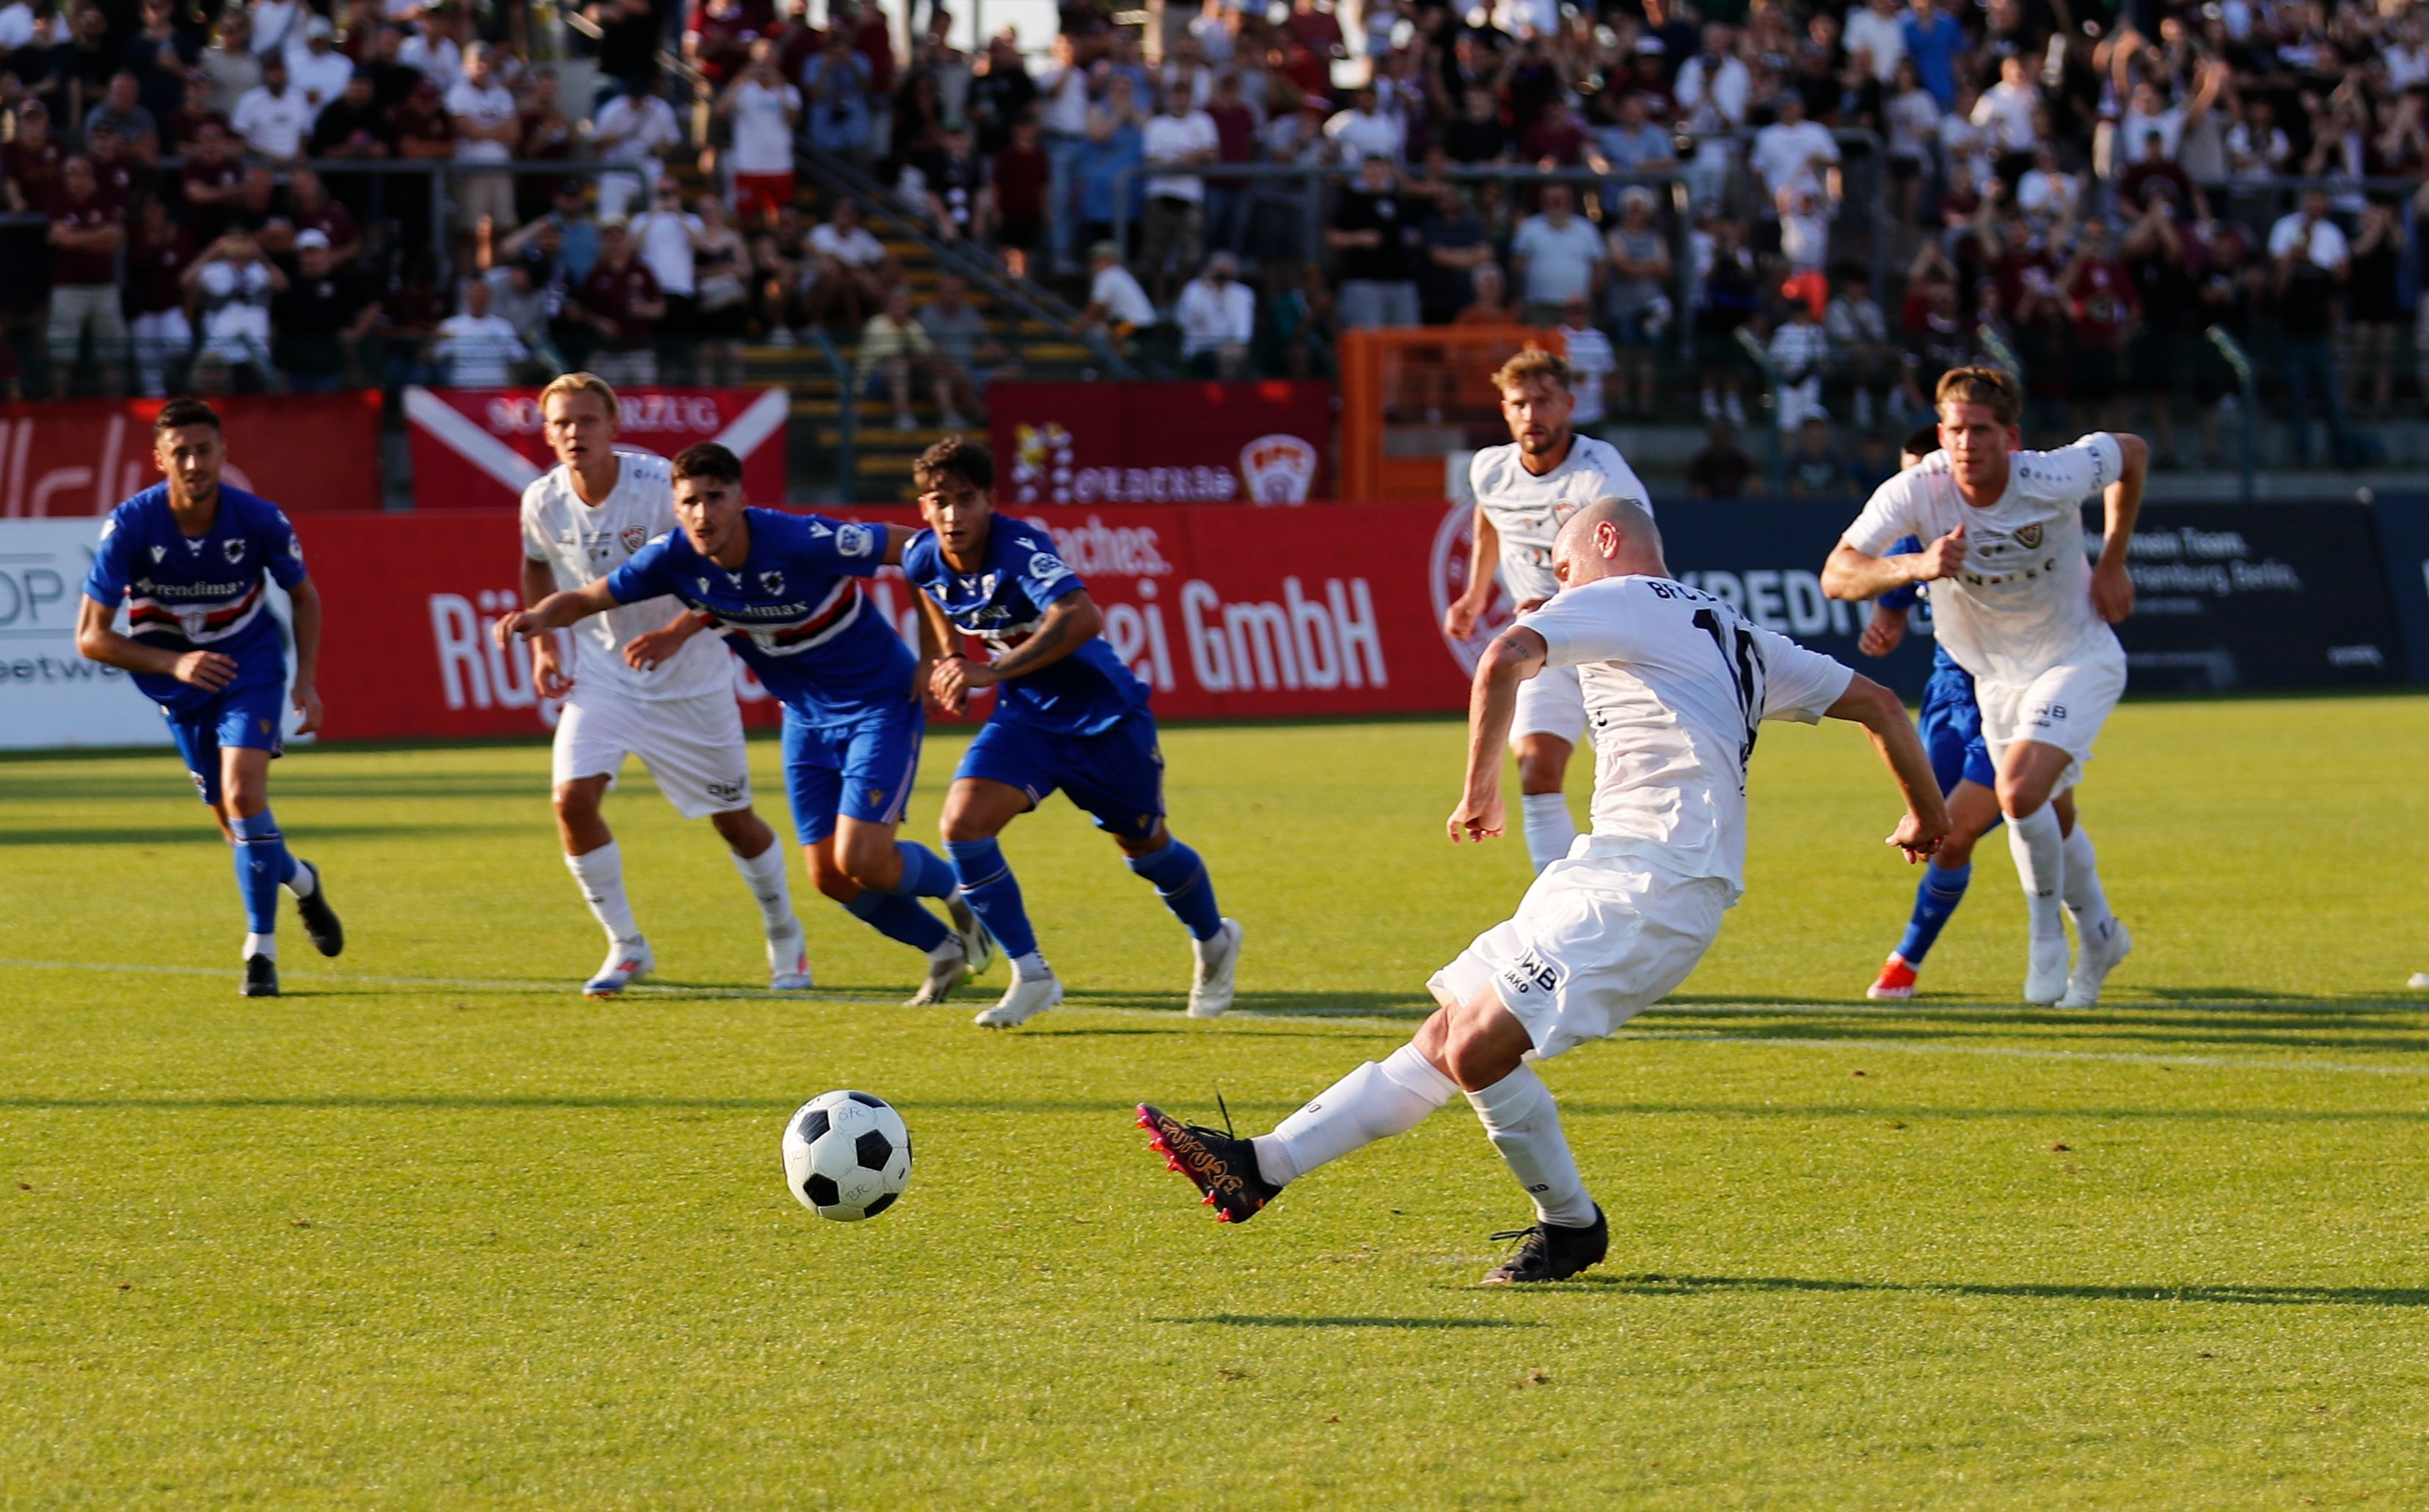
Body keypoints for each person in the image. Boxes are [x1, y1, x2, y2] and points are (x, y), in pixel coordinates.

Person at [1136, 496, 1948, 1278]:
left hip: (1655, 885)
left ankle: (1570, 1227)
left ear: (1602, 539)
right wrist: (1927, 814)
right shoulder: (1733, 628)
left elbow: (1502, 656)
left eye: (1562, 567)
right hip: (1606, 869)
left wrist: (1480, 785)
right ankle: (1263, 1165)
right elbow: (1879, 702)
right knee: (1446, 1032)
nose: (1560, 586)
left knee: (1476, 1048)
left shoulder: (1623, 600)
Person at [494, 442, 991, 1007]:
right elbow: (588, 597)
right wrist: (539, 618)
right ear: (675, 508)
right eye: (691, 502)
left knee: (862, 860)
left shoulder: (799, 540)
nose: (703, 513)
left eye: (716, 497)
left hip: (878, 701)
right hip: (804, 714)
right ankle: (944, 948)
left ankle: (959, 892)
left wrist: (935, 652)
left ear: (742, 501)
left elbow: (915, 548)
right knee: (829, 877)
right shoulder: (671, 557)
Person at [1823, 367, 2142, 1007]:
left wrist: (2112, 560)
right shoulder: (1917, 488)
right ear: (1941, 434)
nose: (1966, 443)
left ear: (2010, 437)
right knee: (2053, 806)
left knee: (2019, 791)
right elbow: (1838, 574)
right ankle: (2101, 934)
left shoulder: (2051, 475)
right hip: (1993, 676)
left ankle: (2044, 933)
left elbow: (2131, 452)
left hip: (2075, 655)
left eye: (1980, 430)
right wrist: (1918, 564)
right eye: (1955, 430)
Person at [486, 376, 811, 996]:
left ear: (613, 426)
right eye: (561, 424)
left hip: (690, 680)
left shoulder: (660, 486)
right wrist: (547, 646)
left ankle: (785, 934)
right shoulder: (542, 500)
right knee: (571, 801)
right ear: (548, 433)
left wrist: (676, 631)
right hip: (604, 677)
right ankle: (627, 946)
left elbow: (721, 562)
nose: (573, 433)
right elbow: (535, 562)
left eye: (586, 420)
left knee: (734, 820)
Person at [902, 437, 1241, 1029]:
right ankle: (1031, 974)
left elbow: (1081, 615)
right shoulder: (921, 556)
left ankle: (1214, 941)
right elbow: (931, 595)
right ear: (923, 507)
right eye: (939, 501)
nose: (952, 515)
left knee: (1146, 851)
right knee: (962, 826)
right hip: (1025, 718)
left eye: (965, 499)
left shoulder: (1019, 547)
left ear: (990, 500)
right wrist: (950, 660)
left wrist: (987, 669)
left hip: (1102, 716)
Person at [73, 398, 344, 997]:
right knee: (237, 829)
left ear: (224, 453)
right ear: (160, 459)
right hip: (180, 681)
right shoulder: (132, 525)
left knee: (245, 794)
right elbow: (91, 637)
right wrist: (177, 662)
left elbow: (304, 596)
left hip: (249, 665)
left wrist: (305, 681)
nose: (194, 462)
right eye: (181, 452)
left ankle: (261, 954)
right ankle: (301, 881)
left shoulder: (259, 519)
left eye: (205, 450)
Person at [1852, 426, 2082, 1000]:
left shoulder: (2006, 525)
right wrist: (1887, 623)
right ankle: (2096, 926)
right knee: (2030, 817)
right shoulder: (1914, 538)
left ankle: (1905, 959)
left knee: (1951, 832)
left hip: (2010, 695)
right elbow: (1890, 602)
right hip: (1947, 696)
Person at [1442, 349, 1653, 874]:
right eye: (1520, 403)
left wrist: (1571, 597)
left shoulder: (1601, 477)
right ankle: (1556, 904)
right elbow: (1489, 520)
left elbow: (1639, 561)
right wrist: (1473, 595)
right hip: (1541, 636)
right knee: (1535, 770)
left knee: (1633, 782)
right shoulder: (1489, 468)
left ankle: (1644, 889)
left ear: (1569, 405)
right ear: (1505, 410)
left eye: (1543, 401)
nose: (1532, 414)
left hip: (1610, 637)